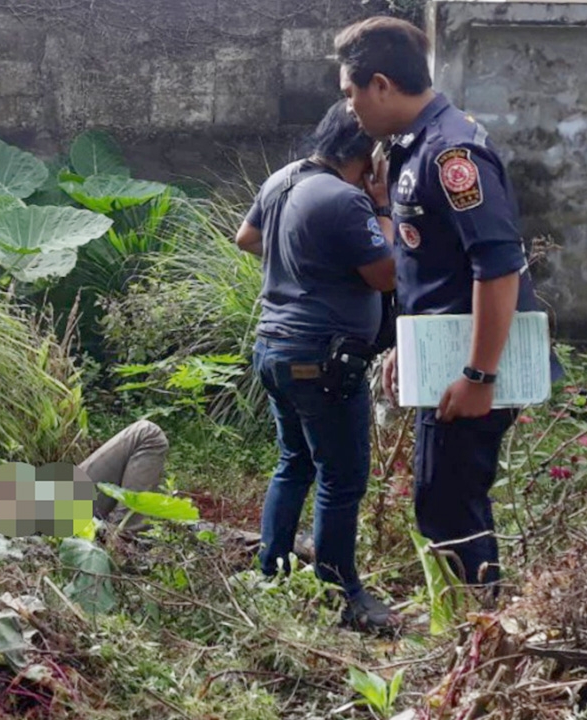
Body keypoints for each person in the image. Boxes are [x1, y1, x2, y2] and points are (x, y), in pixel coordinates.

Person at [334, 17, 556, 591]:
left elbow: (497, 265)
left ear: (380, 83)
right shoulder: (412, 147)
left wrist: (479, 374)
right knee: (443, 504)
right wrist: (406, 347)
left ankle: (477, 642)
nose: (350, 108)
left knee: (450, 510)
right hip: (444, 362)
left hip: (469, 369)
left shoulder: (451, 153)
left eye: (351, 92)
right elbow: (431, 269)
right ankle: (471, 638)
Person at [234, 100, 399, 631]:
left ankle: (271, 572)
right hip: (320, 359)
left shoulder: (284, 179)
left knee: (295, 462)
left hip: (274, 349)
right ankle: (340, 592)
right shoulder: (347, 200)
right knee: (342, 477)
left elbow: (248, 238)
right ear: (369, 153)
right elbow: (387, 276)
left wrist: (306, 260)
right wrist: (382, 206)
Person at [0, 420, 243, 574]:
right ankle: (124, 542)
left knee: (174, 524)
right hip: (34, 518)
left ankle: (282, 544)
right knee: (146, 435)